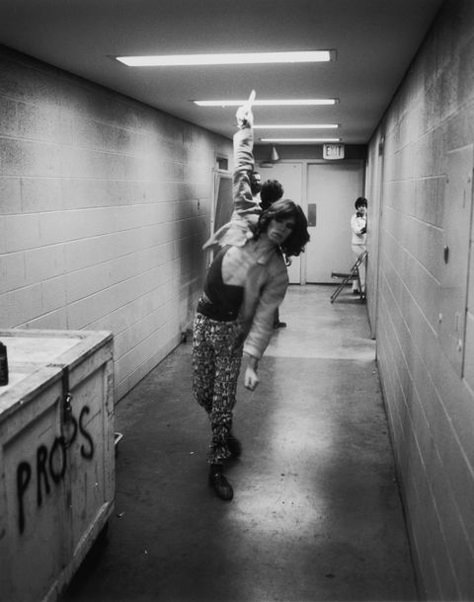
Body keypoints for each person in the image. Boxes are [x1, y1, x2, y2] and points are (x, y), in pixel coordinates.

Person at [193, 97, 309, 501]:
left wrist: (254, 362)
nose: (280, 230)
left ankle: (217, 462)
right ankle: (222, 431)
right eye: (279, 220)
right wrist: (245, 127)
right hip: (202, 317)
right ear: (269, 217)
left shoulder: (277, 271)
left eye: (289, 228)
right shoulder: (244, 216)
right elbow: (243, 168)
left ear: (293, 234)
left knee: (224, 398)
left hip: (230, 329)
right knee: (202, 393)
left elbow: (264, 318)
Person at [350, 196, 368, 296]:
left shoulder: (367, 217)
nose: (362, 208)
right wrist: (365, 229)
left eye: (364, 206)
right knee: (362, 267)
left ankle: (355, 287)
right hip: (357, 245)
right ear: (357, 207)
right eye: (360, 206)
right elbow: (356, 230)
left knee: (357, 265)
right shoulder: (354, 217)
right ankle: (363, 289)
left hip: (364, 245)